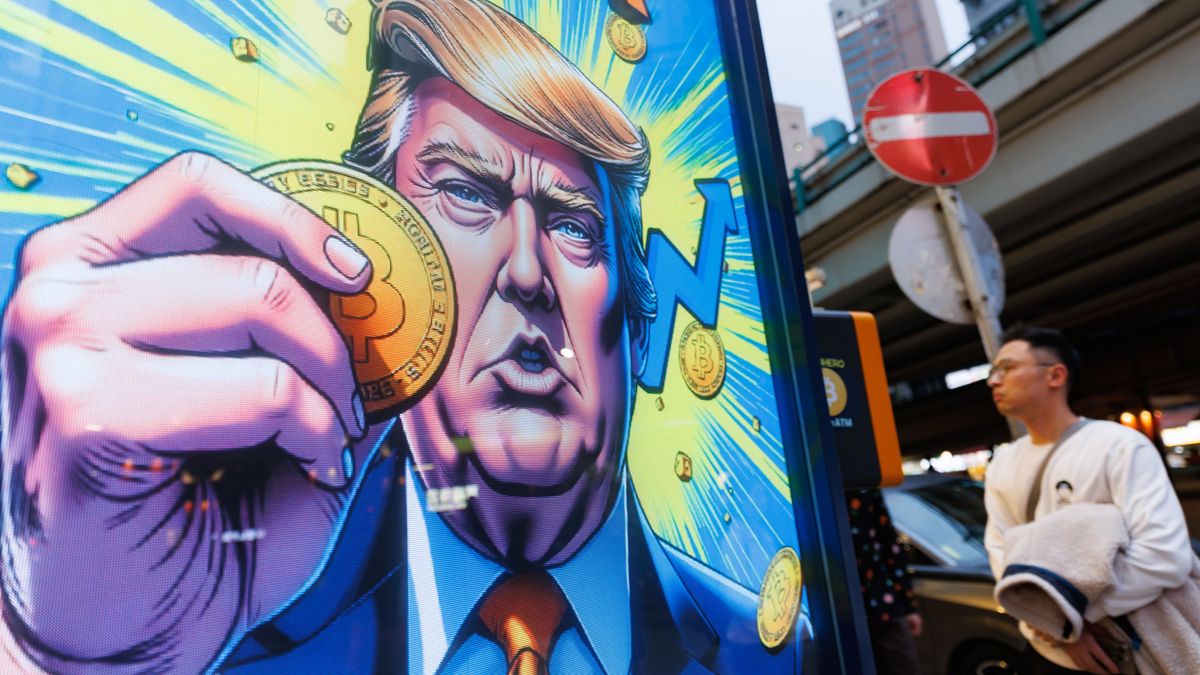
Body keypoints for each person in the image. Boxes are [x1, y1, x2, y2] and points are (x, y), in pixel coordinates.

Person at [0, 1, 805, 673]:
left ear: (634, 325)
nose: (526, 270)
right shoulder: (223, 636)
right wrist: (64, 651)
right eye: (465, 194)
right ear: (374, 280)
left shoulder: (779, 647)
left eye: (572, 225)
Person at [983, 324, 1193, 673]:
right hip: (1048, 650)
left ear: (1055, 375)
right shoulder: (1002, 462)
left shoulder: (1118, 445)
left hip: (1125, 645)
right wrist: (1055, 627)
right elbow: (1001, 555)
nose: (993, 380)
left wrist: (1066, 618)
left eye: (1007, 368)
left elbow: (1165, 555)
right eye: (993, 371)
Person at [846, 489, 921, 675]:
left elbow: (890, 546)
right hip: (844, 615)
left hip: (883, 607)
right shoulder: (814, 489)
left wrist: (908, 606)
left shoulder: (865, 487)